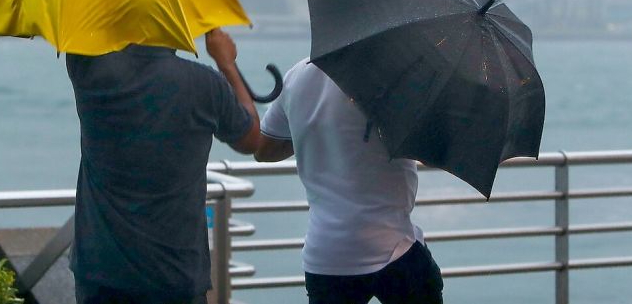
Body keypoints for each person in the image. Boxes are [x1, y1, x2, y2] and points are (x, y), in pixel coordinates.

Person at [66, 28, 262, 304]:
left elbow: (86, 32)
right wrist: (226, 63)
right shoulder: (205, 84)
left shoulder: (89, 67)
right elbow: (253, 138)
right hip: (176, 274)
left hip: (100, 270)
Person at [255, 58, 444, 304]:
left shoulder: (296, 76)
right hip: (392, 246)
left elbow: (264, 150)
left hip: (326, 253)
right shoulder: (393, 79)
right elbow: (433, 153)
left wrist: (317, 131)